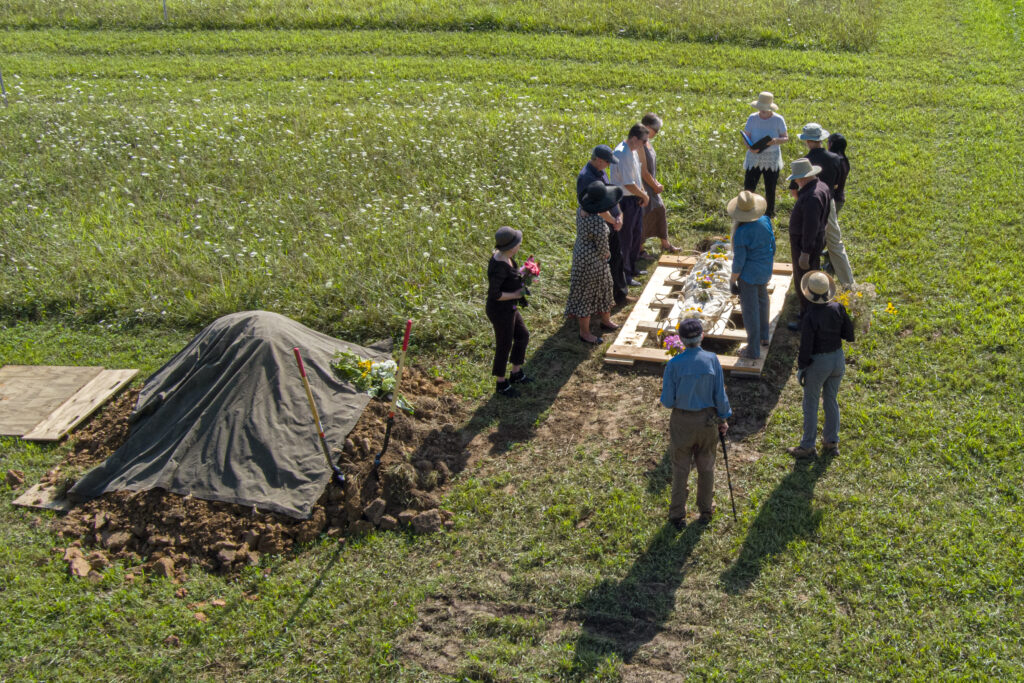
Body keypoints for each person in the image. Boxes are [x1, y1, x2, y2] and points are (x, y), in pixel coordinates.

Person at [659, 318, 731, 528]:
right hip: (707, 421)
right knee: (706, 465)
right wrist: (723, 417)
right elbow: (720, 394)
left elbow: (667, 401)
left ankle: (677, 513)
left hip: (682, 421)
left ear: (680, 340)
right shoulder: (712, 360)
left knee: (680, 467)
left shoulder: (673, 364)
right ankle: (706, 509)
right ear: (702, 336)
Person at [788, 271, 854, 458]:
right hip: (837, 360)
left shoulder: (810, 316)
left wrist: (802, 368)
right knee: (831, 400)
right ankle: (831, 442)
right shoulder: (838, 308)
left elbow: (806, 346)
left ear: (808, 292)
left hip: (819, 363)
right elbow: (849, 334)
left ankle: (808, 446)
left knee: (811, 403)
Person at [787, 123, 854, 286]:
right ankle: (848, 283)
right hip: (828, 201)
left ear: (807, 141)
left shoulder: (805, 162)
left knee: (808, 242)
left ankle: (810, 284)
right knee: (835, 243)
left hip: (809, 204)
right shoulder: (835, 159)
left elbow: (794, 191)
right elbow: (838, 184)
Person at [576, 145, 631, 305]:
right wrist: (614, 221)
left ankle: (620, 294)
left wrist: (619, 214)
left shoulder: (600, 171)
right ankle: (611, 297)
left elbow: (612, 194)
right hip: (602, 226)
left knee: (617, 258)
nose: (609, 165)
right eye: (607, 162)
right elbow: (596, 208)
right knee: (608, 262)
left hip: (612, 222)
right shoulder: (586, 177)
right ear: (599, 160)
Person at [567, 182, 622, 344]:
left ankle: (605, 320)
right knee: (588, 293)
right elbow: (603, 249)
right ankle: (584, 333)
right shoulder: (597, 222)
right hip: (594, 262)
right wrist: (607, 254)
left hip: (580, 254)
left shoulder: (580, 211)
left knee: (604, 286)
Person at [727, 190, 776, 359]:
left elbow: (739, 262)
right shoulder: (765, 220)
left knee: (750, 311)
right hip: (765, 269)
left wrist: (733, 280)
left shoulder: (741, 233)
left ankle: (753, 350)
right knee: (763, 300)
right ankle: (764, 337)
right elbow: (773, 245)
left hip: (748, 276)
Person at [486, 226, 532, 397]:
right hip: (500, 311)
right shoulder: (499, 266)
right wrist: (515, 294)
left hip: (510, 307)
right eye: (518, 243)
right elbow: (495, 294)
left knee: (523, 335)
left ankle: (516, 373)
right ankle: (501, 383)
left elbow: (512, 276)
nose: (520, 245)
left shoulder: (507, 258)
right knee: (504, 344)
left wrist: (525, 274)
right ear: (511, 247)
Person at [785, 157, 830, 331]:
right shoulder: (821, 186)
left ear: (803, 178)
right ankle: (808, 312)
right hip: (813, 241)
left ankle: (807, 319)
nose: (795, 182)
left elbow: (810, 227)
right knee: (809, 276)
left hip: (805, 245)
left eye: (796, 179)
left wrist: (805, 252)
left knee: (804, 280)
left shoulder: (811, 197)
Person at [609, 124, 651, 287]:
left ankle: (632, 268)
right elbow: (628, 183)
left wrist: (641, 193)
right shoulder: (623, 153)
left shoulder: (632, 151)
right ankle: (625, 275)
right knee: (626, 239)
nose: (645, 144)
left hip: (634, 198)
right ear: (634, 139)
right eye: (644, 141)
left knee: (635, 234)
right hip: (625, 201)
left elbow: (635, 178)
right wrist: (644, 195)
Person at [742, 92, 789, 219]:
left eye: (765, 109)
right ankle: (747, 210)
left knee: (770, 187)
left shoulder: (778, 119)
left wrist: (776, 141)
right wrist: (750, 148)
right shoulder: (752, 118)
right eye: (761, 109)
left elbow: (785, 137)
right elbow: (746, 136)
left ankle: (769, 213)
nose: (763, 111)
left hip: (771, 157)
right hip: (754, 157)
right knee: (749, 186)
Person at [638, 113, 678, 258]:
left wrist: (656, 183)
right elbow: (643, 171)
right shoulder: (640, 143)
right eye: (656, 129)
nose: (657, 133)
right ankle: (639, 249)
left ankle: (665, 243)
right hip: (643, 185)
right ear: (648, 127)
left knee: (660, 210)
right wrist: (654, 185)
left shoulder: (647, 141)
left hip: (651, 184)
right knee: (643, 215)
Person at [827, 132, 850, 214]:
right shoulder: (845, 160)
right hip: (839, 198)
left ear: (831, 144)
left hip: (832, 199)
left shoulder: (833, 161)